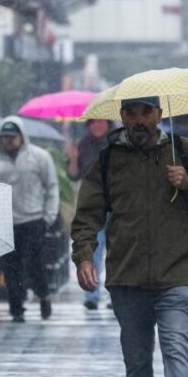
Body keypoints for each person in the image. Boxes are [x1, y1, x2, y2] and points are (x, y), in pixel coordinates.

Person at [72, 96, 188, 377]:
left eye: (146, 113)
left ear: (159, 115)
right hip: (127, 276)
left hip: (178, 272)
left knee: (175, 347)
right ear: (122, 116)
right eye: (131, 113)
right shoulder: (109, 159)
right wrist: (83, 256)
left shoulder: (182, 150)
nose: (138, 120)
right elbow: (87, 216)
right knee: (137, 360)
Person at [0, 116, 60, 322]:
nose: (8, 141)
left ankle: (43, 296)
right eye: (5, 137)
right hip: (7, 222)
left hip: (34, 219)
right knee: (11, 267)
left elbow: (51, 186)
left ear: (22, 136)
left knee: (35, 263)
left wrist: (49, 216)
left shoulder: (40, 157)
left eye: (12, 137)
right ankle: (16, 308)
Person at [68, 118, 113, 310]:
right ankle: (92, 294)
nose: (97, 125)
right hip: (93, 208)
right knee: (93, 251)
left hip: (117, 207)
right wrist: (73, 158)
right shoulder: (83, 144)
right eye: (93, 122)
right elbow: (73, 175)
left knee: (117, 253)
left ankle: (115, 295)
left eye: (101, 122)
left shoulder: (118, 142)